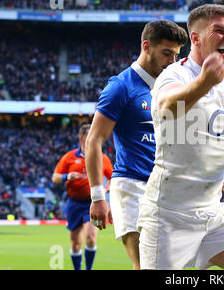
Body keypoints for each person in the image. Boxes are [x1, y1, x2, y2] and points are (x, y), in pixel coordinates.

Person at [137, 4, 224, 270]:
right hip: (168, 217)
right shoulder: (174, 74)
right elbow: (167, 107)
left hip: (212, 213)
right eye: (220, 30)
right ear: (195, 38)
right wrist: (204, 82)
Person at [85, 20, 188, 270]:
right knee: (148, 264)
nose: (172, 62)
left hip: (166, 189)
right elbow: (94, 140)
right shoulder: (121, 87)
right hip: (132, 187)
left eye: (176, 55)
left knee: (165, 267)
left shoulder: (173, 89)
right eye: (166, 53)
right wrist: (98, 195)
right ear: (146, 47)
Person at [52, 123, 113, 270]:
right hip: (74, 203)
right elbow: (55, 177)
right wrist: (67, 176)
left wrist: (105, 190)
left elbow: (112, 177)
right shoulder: (69, 157)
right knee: (75, 243)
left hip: (92, 203)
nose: (92, 138)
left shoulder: (102, 157)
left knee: (91, 238)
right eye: (88, 136)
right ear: (81, 138)